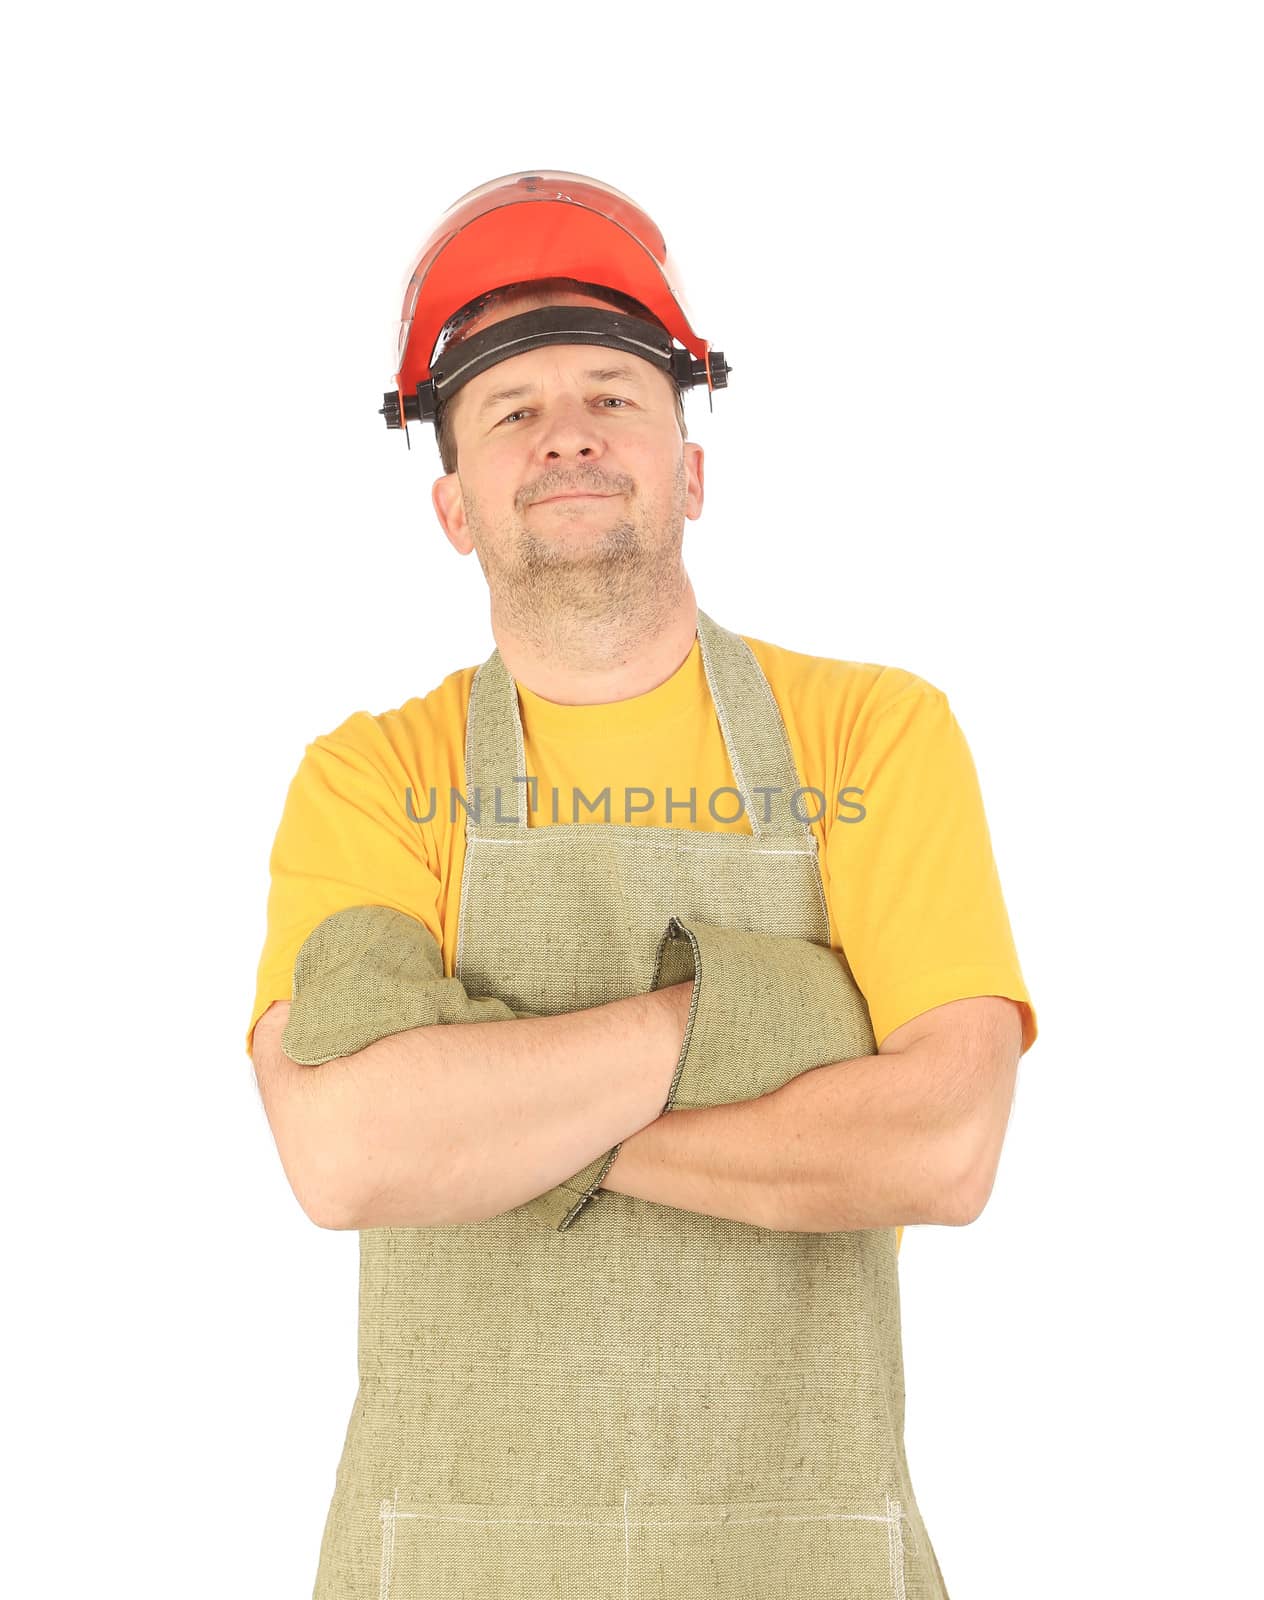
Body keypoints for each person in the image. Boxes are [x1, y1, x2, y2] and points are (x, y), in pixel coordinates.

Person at [247, 169, 1037, 1599]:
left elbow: (943, 1147)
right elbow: (350, 1152)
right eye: (510, 409)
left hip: (807, 1562)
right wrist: (740, 1023)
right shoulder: (371, 779)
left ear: (690, 466)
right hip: (451, 1565)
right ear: (452, 506)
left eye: (614, 394)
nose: (567, 435)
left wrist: (495, 1117)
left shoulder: (874, 735)